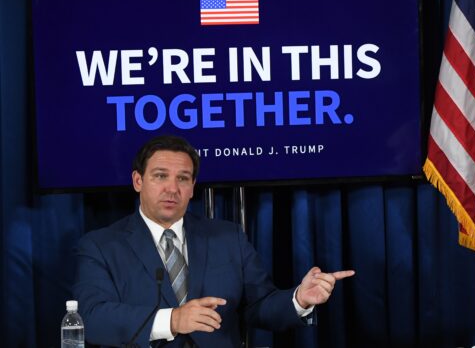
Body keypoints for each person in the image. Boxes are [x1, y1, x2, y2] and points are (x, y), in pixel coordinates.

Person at [73, 135, 355, 347]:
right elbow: (91, 317)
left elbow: (260, 306)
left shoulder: (227, 237)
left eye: (183, 179)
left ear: (193, 187)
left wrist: (298, 299)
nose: (172, 188)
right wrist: (173, 319)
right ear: (138, 181)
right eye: (160, 176)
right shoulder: (100, 245)